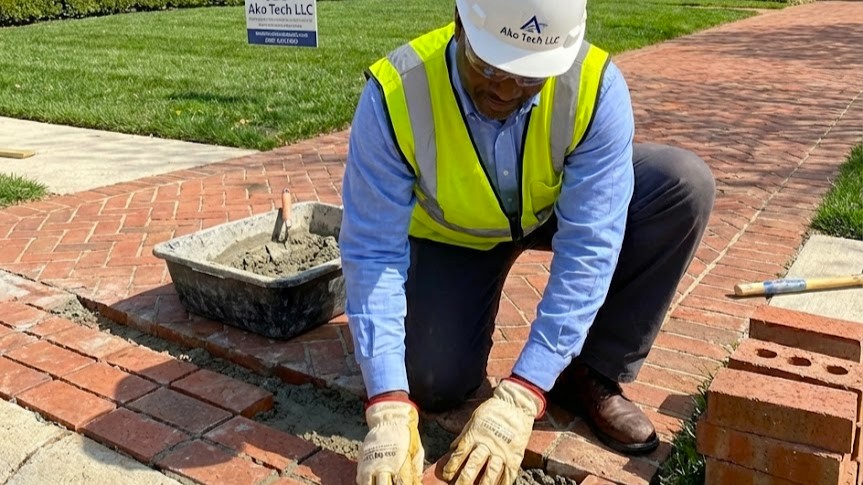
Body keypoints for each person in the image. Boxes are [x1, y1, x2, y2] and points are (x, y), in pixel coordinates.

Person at [339, 0, 715, 482]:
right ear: (459, 25)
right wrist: (387, 399)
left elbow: (590, 246)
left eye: (529, 77)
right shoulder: (396, 93)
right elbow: (372, 251)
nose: (505, 90)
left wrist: (525, 389)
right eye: (490, 67)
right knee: (432, 382)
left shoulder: (593, 86)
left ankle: (591, 370)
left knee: (682, 185)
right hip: (456, 234)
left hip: (550, 207)